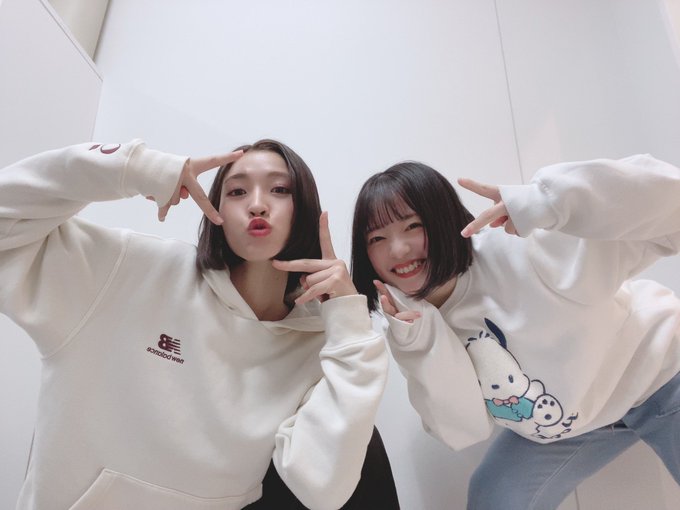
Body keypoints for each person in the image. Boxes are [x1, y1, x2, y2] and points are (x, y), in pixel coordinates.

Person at [0, 138, 393, 510]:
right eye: (237, 191)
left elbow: (323, 487)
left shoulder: (319, 343)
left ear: (303, 208)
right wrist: (133, 167)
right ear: (214, 208)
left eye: (279, 190)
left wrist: (350, 323)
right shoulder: (129, 268)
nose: (257, 204)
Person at [350, 156, 680, 509]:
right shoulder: (410, 323)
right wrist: (415, 341)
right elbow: (465, 429)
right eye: (377, 237)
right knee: (495, 498)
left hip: (661, 373)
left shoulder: (521, 249)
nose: (398, 250)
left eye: (413, 226)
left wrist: (551, 200)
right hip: (573, 423)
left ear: (441, 218)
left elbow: (668, 204)